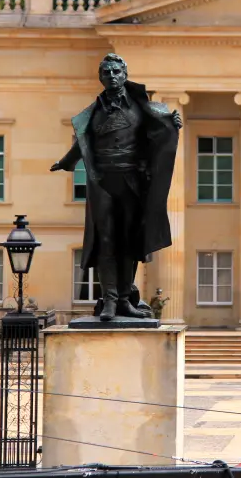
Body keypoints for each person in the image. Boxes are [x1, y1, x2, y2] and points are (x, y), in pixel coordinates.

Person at [50, 53, 183, 321]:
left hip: (132, 182)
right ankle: (109, 300)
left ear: (124, 74)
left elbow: (159, 135)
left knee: (129, 242)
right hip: (103, 183)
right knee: (107, 240)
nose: (111, 76)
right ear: (100, 77)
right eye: (106, 73)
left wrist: (172, 127)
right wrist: (66, 162)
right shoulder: (93, 113)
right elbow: (82, 143)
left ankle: (124, 299)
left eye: (116, 72)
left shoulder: (142, 108)